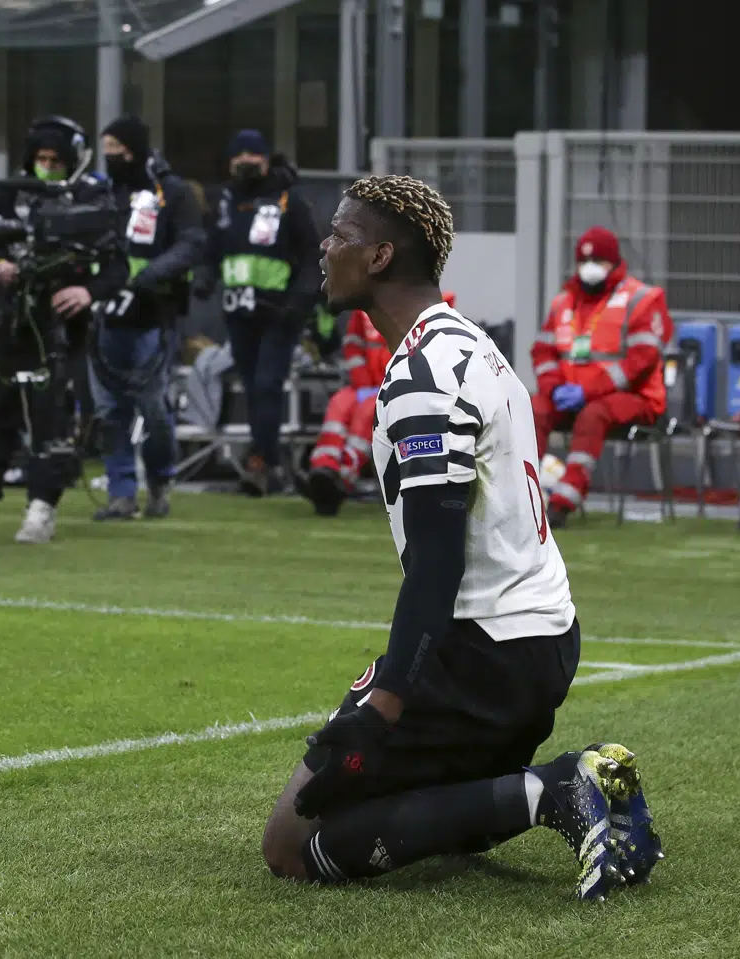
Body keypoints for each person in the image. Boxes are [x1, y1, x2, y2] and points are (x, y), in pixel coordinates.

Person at [260, 175, 662, 900]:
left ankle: (559, 787)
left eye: (342, 235)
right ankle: (533, 790)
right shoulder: (470, 343)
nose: (325, 246)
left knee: (294, 844)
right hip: (541, 637)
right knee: (453, 820)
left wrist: (389, 697)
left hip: (485, 652)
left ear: (381, 257)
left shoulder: (423, 373)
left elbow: (438, 560)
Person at [0, 116, 128, 544]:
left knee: (49, 424)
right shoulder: (8, 193)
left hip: (58, 327)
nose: (47, 166)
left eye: (55, 159)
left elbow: (117, 266)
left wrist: (86, 291)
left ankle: (42, 510)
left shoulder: (92, 199)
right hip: (7, 322)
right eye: (40, 158)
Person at [90, 115, 205, 521]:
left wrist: (151, 275)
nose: (111, 161)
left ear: (135, 150)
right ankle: (121, 492)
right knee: (109, 413)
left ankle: (158, 478)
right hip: (104, 315)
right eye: (105, 153)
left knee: (154, 408)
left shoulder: (171, 194)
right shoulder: (101, 194)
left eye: (117, 152)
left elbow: (192, 243)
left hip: (153, 316)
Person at [197, 130, 322, 496]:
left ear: (267, 159)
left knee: (267, 385)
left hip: (279, 313)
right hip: (239, 313)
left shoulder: (289, 201)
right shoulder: (225, 204)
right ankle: (269, 461)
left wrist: (299, 302)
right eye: (238, 157)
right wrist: (205, 278)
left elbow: (312, 257)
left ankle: (262, 462)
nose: (245, 163)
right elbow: (211, 250)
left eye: (253, 156)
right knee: (253, 389)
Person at [529, 226, 672, 521]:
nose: (589, 269)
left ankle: (562, 503)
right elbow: (543, 352)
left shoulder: (641, 300)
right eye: (582, 262)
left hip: (633, 399)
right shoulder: (563, 301)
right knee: (532, 408)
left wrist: (588, 391)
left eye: (597, 262)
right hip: (568, 396)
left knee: (593, 414)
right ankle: (522, 495)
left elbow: (641, 361)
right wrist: (554, 388)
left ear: (614, 263)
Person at [303, 291, 455, 516]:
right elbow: (353, 346)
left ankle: (341, 480)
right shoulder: (364, 306)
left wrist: (386, 384)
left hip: (401, 388)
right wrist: (363, 382)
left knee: (366, 413)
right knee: (339, 403)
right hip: (365, 386)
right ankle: (323, 469)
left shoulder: (431, 306)